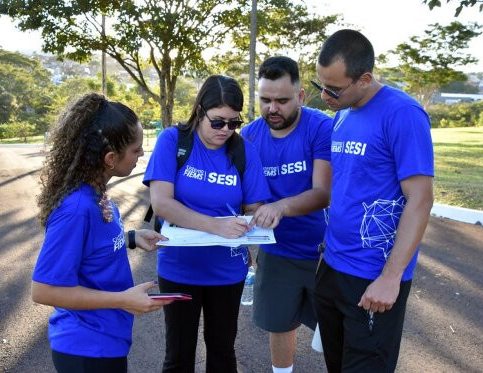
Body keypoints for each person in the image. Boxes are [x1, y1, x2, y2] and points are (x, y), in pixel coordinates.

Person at [311, 29, 434, 372]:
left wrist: (391, 277)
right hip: (333, 270)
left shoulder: (403, 113)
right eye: (320, 83)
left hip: (374, 278)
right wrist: (326, 254)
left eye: (333, 88)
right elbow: (348, 190)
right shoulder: (342, 116)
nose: (324, 96)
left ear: (364, 79)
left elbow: (421, 200)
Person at [32, 93, 171, 373]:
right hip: (85, 349)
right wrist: (122, 299)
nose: (142, 154)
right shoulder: (77, 209)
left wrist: (131, 238)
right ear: (110, 158)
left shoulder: (96, 192)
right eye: (136, 149)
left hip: (106, 340)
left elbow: (91, 246)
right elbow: (43, 290)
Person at [143, 75, 271, 373]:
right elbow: (162, 203)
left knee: (223, 351)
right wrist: (215, 226)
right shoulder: (173, 141)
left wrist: (260, 215)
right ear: (200, 111)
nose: (226, 130)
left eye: (233, 123)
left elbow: (254, 206)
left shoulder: (243, 150)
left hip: (227, 269)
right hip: (179, 266)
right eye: (217, 122)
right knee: (178, 354)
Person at [240, 56, 332, 373]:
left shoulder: (320, 127)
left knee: (337, 331)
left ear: (301, 96)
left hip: (323, 252)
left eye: (282, 100)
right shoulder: (249, 137)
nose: (272, 108)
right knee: (280, 323)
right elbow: (243, 198)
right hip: (276, 251)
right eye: (265, 100)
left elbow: (323, 193)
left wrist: (280, 207)